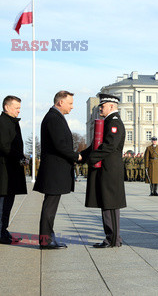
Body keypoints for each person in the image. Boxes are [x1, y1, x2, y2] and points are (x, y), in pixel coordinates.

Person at [34, 91, 80, 249]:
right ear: (60, 102)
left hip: (55, 169)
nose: (72, 107)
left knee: (51, 205)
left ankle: (48, 237)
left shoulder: (55, 116)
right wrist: (76, 157)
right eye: (70, 103)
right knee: (50, 206)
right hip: (54, 170)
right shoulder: (54, 118)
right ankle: (46, 241)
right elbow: (60, 145)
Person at [81, 94, 126, 248]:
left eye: (103, 105)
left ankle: (113, 239)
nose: (100, 108)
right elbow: (96, 145)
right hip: (105, 168)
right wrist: (80, 156)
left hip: (110, 169)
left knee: (111, 204)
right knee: (106, 203)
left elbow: (109, 146)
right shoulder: (106, 122)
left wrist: (90, 158)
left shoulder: (114, 122)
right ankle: (111, 237)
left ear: (112, 106)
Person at [0, 95, 27, 244]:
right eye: (16, 107)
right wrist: (19, 157)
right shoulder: (1, 123)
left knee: (8, 203)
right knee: (2, 203)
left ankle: (3, 231)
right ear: (7, 107)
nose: (19, 110)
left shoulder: (11, 122)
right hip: (5, 169)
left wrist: (21, 157)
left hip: (11, 169)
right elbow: (5, 147)